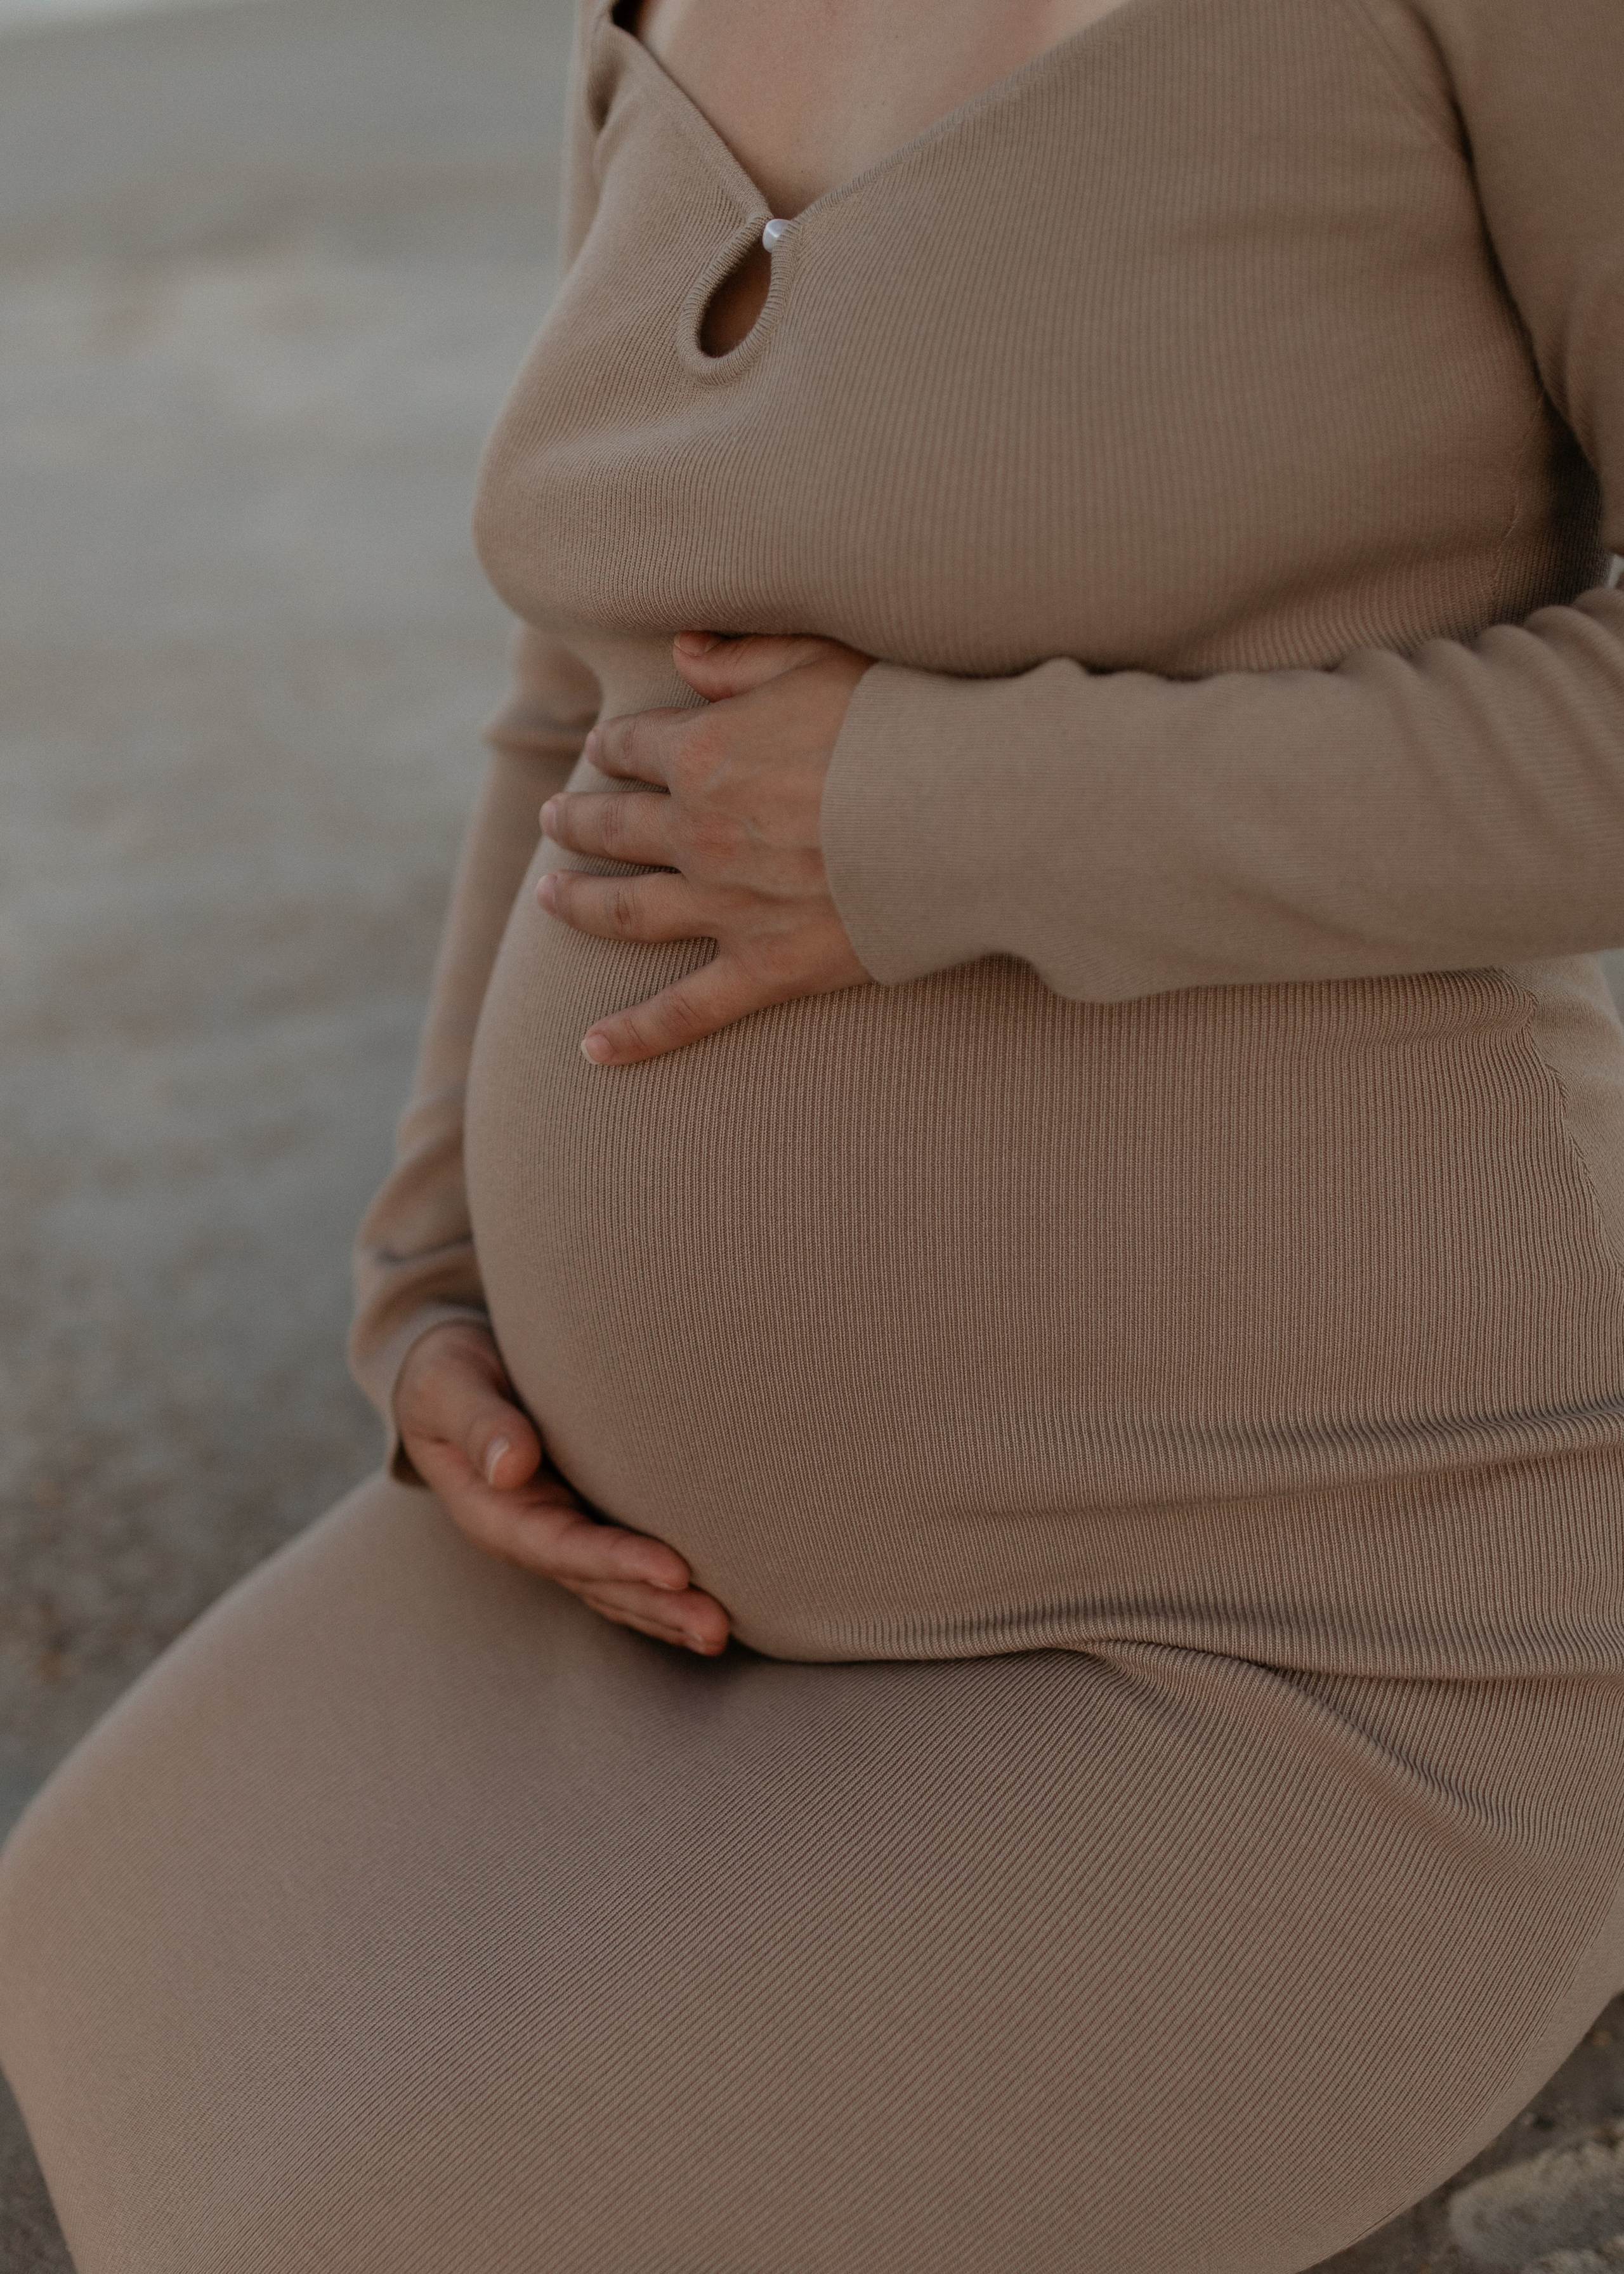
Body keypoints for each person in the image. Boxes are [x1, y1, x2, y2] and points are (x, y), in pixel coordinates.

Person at [5, 0, 1624, 2264]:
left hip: (1298, 1622)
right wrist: (433, 1285)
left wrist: (944, 815)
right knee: (88, 1946)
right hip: (636, 1586)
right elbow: (582, 692)